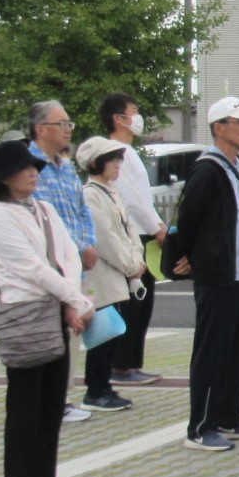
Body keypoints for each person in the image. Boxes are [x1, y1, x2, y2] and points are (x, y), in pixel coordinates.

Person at [0, 141, 95, 477]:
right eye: (25, 168)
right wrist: (77, 300)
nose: (34, 172)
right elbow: (31, 268)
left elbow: (67, 255)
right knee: (26, 403)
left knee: (53, 401)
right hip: (24, 311)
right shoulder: (0, 216)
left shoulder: (45, 208)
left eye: (36, 167)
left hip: (56, 306)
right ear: (4, 177)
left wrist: (71, 299)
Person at [162, 97, 239, 451]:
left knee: (234, 347)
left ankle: (228, 416)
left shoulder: (238, 166)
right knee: (211, 348)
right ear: (219, 127)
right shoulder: (207, 169)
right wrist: (189, 255)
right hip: (218, 272)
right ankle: (200, 426)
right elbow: (188, 220)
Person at [29, 101, 97, 423]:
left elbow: (82, 209)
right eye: (62, 123)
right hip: (46, 267)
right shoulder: (29, 166)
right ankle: (49, 402)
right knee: (48, 333)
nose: (69, 129)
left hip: (75, 264)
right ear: (41, 129)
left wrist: (87, 244)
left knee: (73, 331)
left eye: (69, 123)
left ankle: (63, 399)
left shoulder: (67, 166)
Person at [97, 93, 164, 387]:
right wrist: (156, 225)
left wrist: (155, 223)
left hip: (142, 232)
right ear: (118, 119)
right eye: (134, 112)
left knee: (144, 300)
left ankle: (132, 363)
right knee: (134, 300)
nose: (138, 118)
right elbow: (134, 201)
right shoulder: (115, 151)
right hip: (132, 234)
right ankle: (121, 365)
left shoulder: (129, 151)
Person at [75, 137, 145, 413]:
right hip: (102, 276)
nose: (117, 165)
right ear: (95, 163)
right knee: (101, 336)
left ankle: (103, 387)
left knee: (112, 333)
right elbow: (105, 239)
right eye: (112, 160)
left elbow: (130, 232)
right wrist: (131, 264)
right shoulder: (91, 194)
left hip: (119, 275)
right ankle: (96, 390)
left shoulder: (112, 192)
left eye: (118, 159)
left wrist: (137, 260)